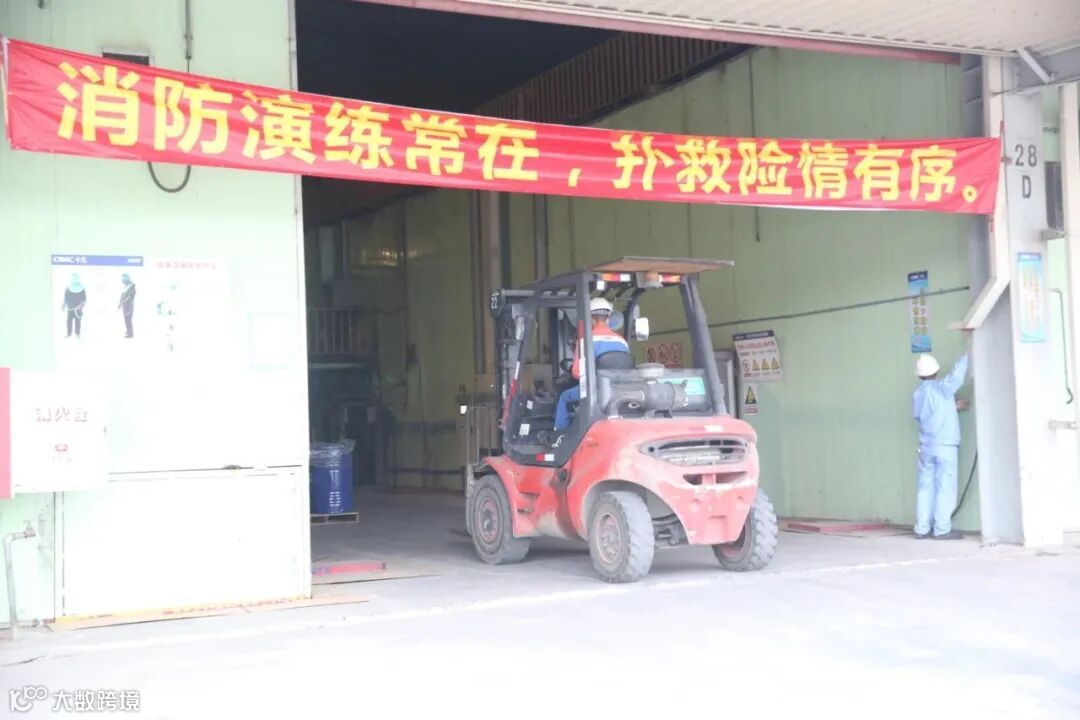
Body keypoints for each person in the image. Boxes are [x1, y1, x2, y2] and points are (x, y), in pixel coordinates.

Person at [912, 349, 970, 540]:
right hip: (945, 446)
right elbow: (956, 376)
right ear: (936, 371)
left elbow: (926, 415)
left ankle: (921, 529)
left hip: (925, 447)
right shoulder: (942, 389)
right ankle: (942, 529)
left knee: (925, 488)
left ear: (919, 375)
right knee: (945, 487)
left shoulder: (918, 394)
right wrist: (967, 353)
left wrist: (952, 406)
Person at [554, 298, 630, 431]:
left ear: (590, 319)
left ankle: (559, 435)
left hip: (595, 390)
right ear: (608, 318)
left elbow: (577, 373)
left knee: (564, 398)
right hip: (619, 390)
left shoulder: (586, 341)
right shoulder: (622, 341)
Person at [62, 273, 86, 339]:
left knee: (77, 321)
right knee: (69, 321)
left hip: (77, 309)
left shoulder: (82, 289)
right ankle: (69, 334)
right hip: (70, 308)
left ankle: (77, 334)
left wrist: (81, 306)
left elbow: (84, 299)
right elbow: (65, 298)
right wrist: (63, 305)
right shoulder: (68, 288)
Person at [119, 273, 136, 339]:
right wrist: (120, 303)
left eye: (123, 278)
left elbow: (131, 296)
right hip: (125, 305)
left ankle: (130, 334)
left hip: (129, 305)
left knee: (128, 319)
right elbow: (122, 295)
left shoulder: (131, 286)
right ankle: (128, 331)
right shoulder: (125, 286)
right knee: (126, 319)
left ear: (127, 278)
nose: (122, 280)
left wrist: (124, 301)